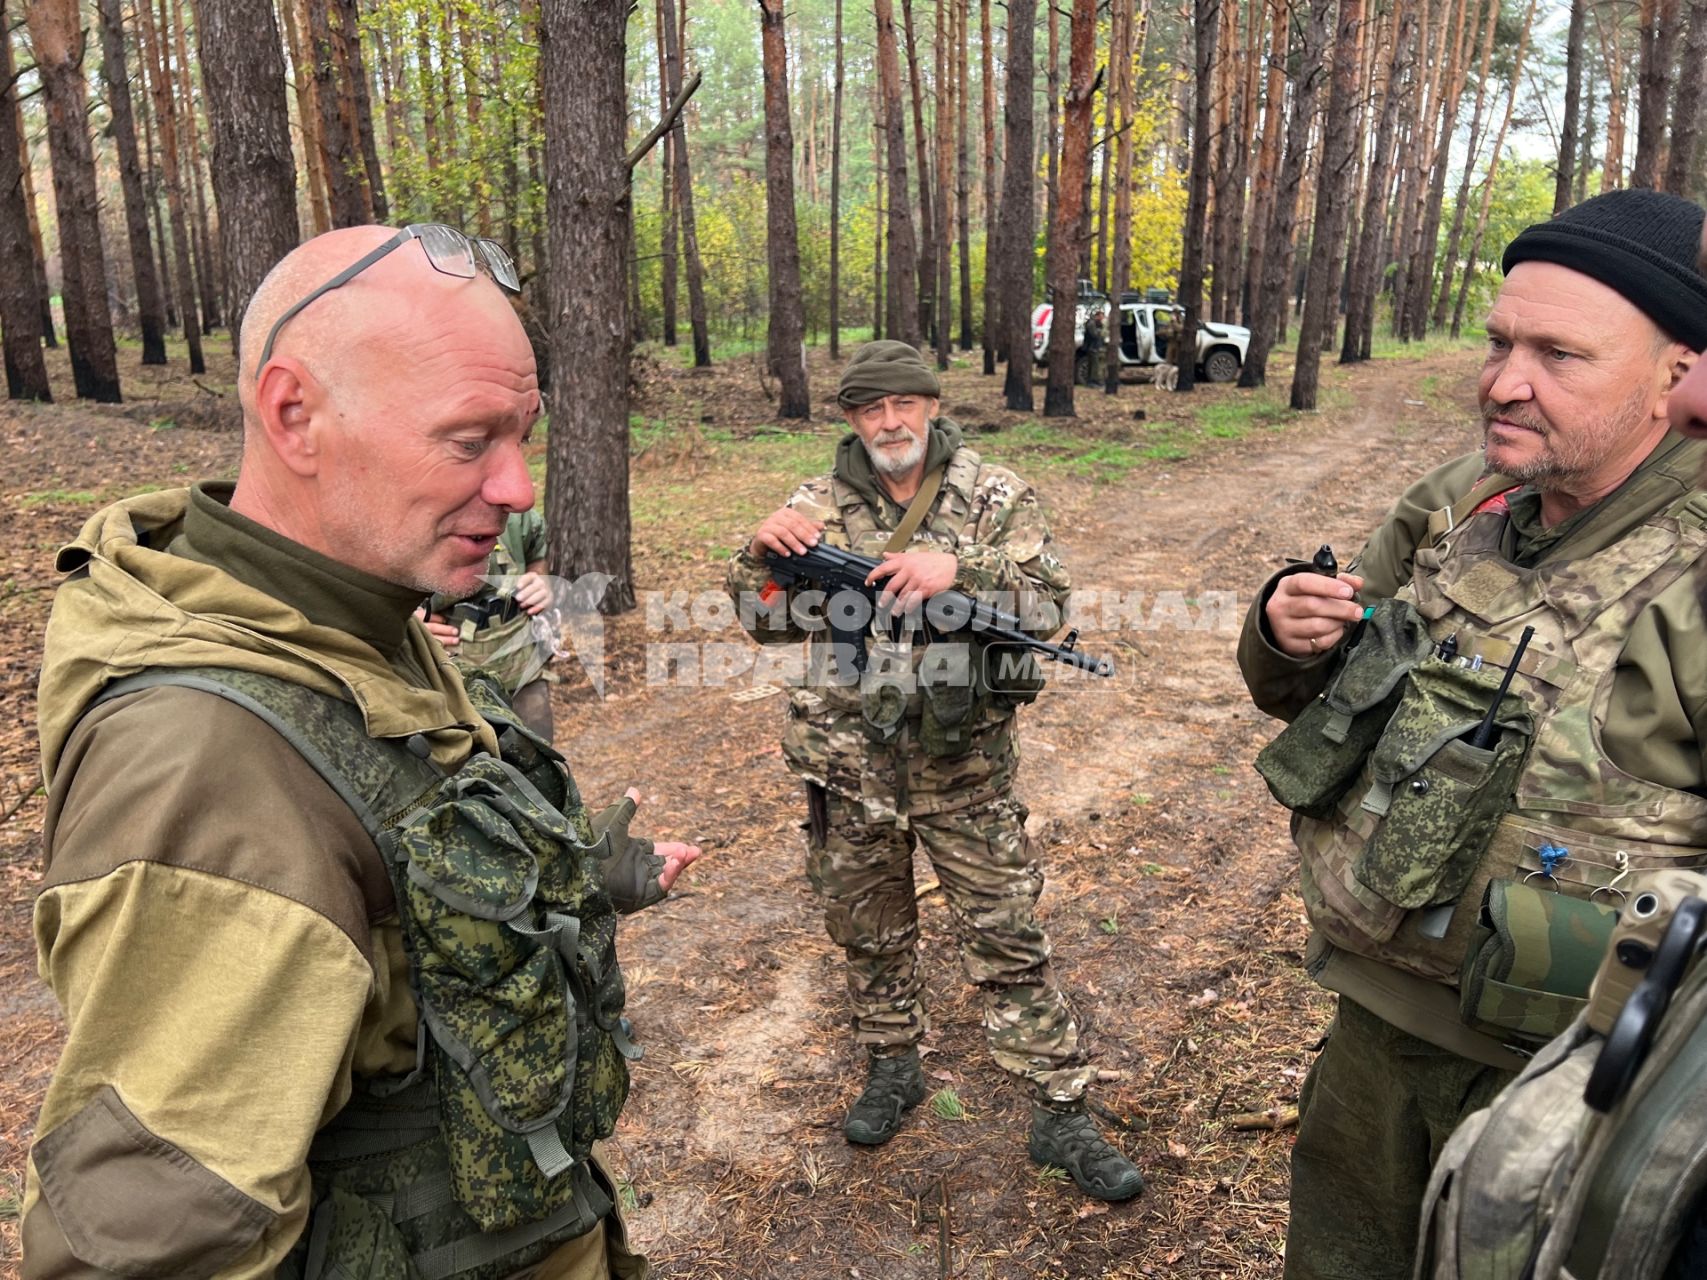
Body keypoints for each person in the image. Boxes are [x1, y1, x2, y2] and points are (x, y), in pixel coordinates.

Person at [21, 224, 700, 1279]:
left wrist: (585, 872)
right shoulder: (209, 759)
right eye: (470, 440)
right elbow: (163, 1242)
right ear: (295, 413)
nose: (521, 487)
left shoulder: (357, 622)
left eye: (524, 433)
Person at [1237, 187, 1707, 1280]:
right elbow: (1311, 691)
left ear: (1673, 375)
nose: (1503, 381)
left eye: (1558, 353)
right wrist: (1283, 628)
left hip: (1578, 1086)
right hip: (1374, 1028)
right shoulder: (1459, 502)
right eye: (1498, 341)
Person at [724, 339, 1143, 1203]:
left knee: (1005, 935)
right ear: (850, 417)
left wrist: (965, 569)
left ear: (930, 406)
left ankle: (1059, 1108)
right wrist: (758, 557)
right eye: (870, 408)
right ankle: (893, 1066)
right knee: (869, 932)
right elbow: (760, 622)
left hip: (963, 768)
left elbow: (1051, 603)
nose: (889, 422)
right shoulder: (813, 507)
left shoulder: (993, 495)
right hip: (848, 770)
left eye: (903, 405)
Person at [420, 507, 560, 742]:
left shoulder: (513, 513)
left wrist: (541, 581)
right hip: (446, 679)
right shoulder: (404, 517)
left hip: (522, 669)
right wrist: (405, 623)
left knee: (539, 747)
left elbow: (537, 552)